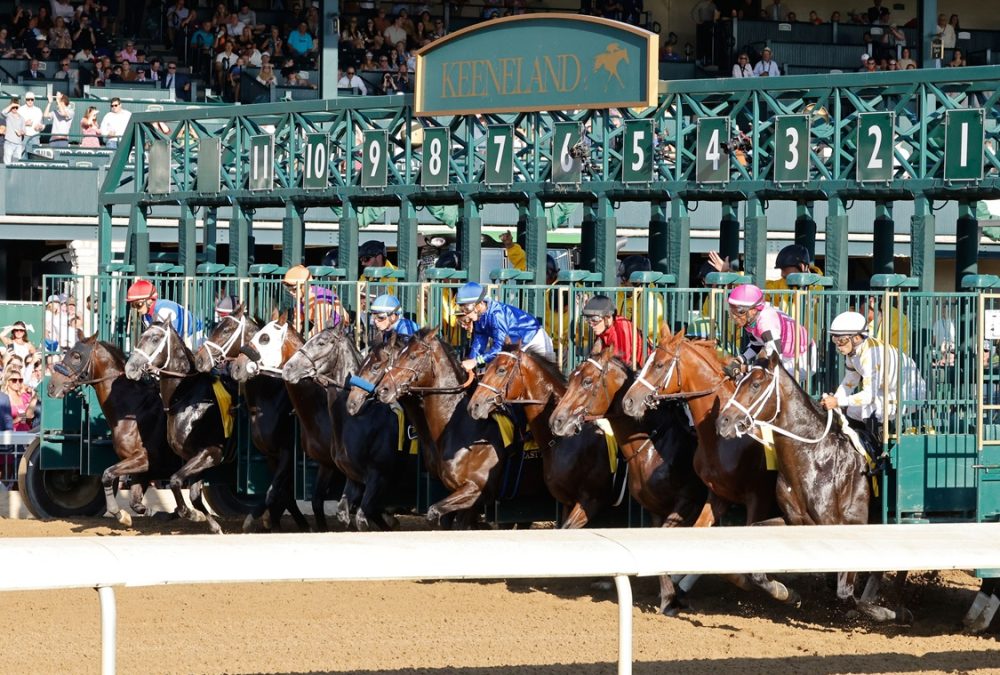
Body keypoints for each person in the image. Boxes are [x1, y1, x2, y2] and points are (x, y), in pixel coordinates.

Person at [821, 310, 925, 447]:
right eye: (835, 340)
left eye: (841, 340)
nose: (838, 345)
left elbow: (869, 397)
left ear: (856, 338)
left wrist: (837, 401)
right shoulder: (853, 351)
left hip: (910, 392)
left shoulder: (871, 354)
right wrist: (835, 400)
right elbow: (849, 383)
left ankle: (881, 454)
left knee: (869, 409)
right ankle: (858, 447)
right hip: (887, 390)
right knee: (853, 411)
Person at [453, 282, 554, 370]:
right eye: (462, 309)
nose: (465, 313)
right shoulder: (479, 318)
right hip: (516, 346)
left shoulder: (497, 315)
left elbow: (499, 347)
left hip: (535, 341)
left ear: (480, 304)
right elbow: (479, 342)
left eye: (467, 308)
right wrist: (471, 361)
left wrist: (476, 361)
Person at [725, 283, 815, 380]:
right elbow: (756, 344)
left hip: (802, 361)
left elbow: (774, 364)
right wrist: (739, 360)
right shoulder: (751, 320)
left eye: (738, 311)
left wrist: (745, 368)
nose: (734, 316)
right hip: (786, 356)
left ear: (753, 310)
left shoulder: (766, 323)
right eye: (732, 310)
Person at [581, 294, 646, 364]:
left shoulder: (622, 328)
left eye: (594, 319)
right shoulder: (604, 330)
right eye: (588, 320)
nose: (591, 325)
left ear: (608, 317)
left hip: (641, 369)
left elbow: (623, 364)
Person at [282, 264, 345, 335]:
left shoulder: (319, 298)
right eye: (288, 290)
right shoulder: (300, 299)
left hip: (338, 330)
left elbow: (321, 326)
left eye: (294, 289)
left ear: (305, 286)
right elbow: (297, 323)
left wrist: (307, 337)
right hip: (324, 331)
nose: (291, 293)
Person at [616, 255, 664, 341]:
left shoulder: (651, 297)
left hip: (647, 346)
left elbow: (648, 329)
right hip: (626, 342)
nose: (621, 282)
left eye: (624, 278)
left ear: (636, 281)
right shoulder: (621, 294)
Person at [125, 278, 196, 337]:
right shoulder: (146, 316)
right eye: (133, 306)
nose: (137, 310)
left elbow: (173, 337)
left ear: (149, 300)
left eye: (138, 305)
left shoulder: (163, 311)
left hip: (194, 334)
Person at [3, 98, 25, 164]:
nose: (15, 109)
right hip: (9, 143)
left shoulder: (22, 118)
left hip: (18, 144)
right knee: (7, 163)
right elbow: (3, 112)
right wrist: (12, 105)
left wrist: (20, 132)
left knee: (17, 163)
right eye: (13, 107)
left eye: (16, 107)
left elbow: (24, 130)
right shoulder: (8, 115)